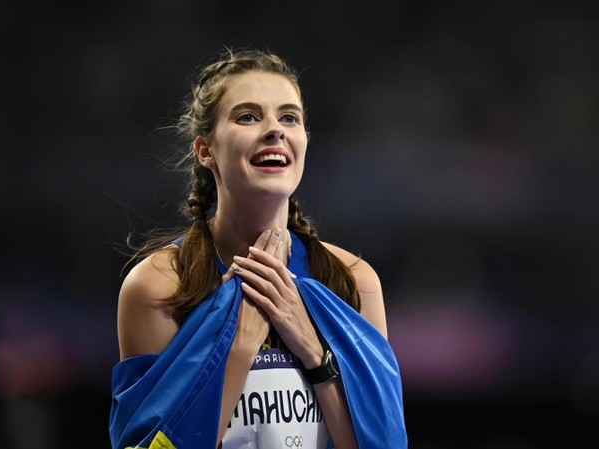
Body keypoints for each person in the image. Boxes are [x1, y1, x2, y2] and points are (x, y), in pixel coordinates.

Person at [109, 49, 407, 449]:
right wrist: (236, 347)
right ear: (205, 150)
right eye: (248, 116)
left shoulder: (353, 281)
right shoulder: (159, 286)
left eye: (289, 117)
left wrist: (316, 354)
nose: (275, 130)